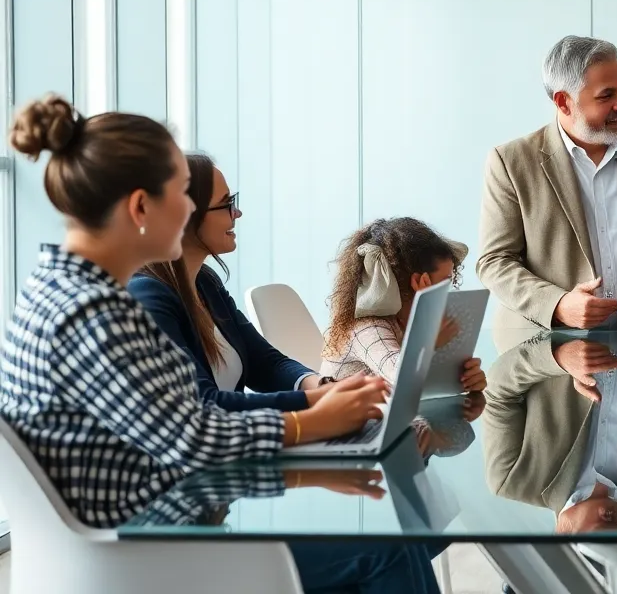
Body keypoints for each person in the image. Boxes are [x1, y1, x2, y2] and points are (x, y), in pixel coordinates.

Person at [0, 95, 441, 593]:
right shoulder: (95, 314)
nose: (189, 210)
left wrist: (316, 411)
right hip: (143, 555)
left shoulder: (64, 291)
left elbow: (185, 422)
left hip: (149, 526)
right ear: (141, 206)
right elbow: (194, 439)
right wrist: (312, 420)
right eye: (182, 195)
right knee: (393, 549)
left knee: (395, 536)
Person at [477, 35, 617, 340]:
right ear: (563, 101)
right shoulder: (511, 162)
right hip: (545, 353)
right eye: (606, 95)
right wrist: (557, 305)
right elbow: (495, 261)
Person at [129, 154, 329, 412]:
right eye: (226, 204)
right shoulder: (146, 296)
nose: (237, 212)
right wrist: (318, 403)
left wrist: (324, 386)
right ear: (184, 216)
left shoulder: (205, 281)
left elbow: (265, 363)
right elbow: (203, 402)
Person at [481, 332, 617, 531]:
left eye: (602, 533)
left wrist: (557, 357)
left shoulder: (513, 479)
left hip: (552, 316)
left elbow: (496, 394)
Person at [321, 217, 486, 394]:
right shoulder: (367, 328)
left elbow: (418, 385)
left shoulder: (406, 321)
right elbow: (401, 377)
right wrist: (430, 338)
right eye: (446, 282)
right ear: (419, 282)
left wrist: (462, 379)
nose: (448, 293)